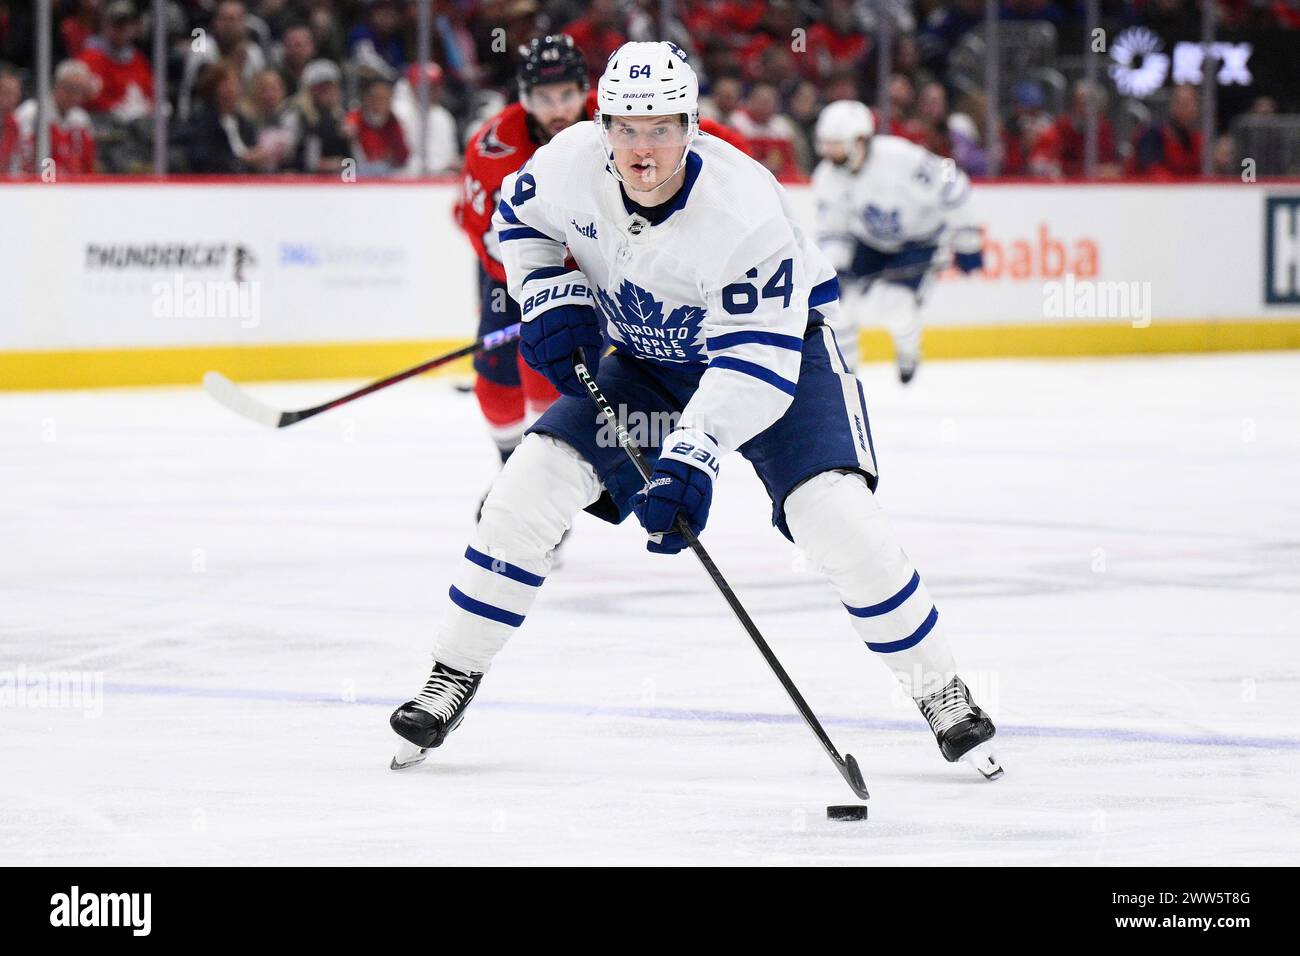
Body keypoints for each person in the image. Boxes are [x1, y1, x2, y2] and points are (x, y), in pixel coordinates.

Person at [390, 42, 1001, 783]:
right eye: (625, 128)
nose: (641, 148)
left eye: (660, 129)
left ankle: (941, 688)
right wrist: (547, 291)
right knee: (531, 483)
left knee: (834, 516)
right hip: (651, 362)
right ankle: (450, 675)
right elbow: (517, 228)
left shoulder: (743, 209)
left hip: (779, 359)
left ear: (692, 127)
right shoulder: (567, 163)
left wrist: (694, 452)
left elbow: (753, 366)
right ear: (603, 123)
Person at [452, 35, 589, 482]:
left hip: (587, 279)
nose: (558, 108)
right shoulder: (493, 148)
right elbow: (481, 232)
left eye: (567, 94)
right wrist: (529, 290)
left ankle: (545, 479)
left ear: (584, 89)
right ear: (525, 97)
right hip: (509, 274)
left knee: (556, 379)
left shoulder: (614, 131)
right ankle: (512, 468)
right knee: (496, 387)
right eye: (544, 97)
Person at [810, 99, 983, 382]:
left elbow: (954, 185)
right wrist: (835, 265)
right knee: (838, 304)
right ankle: (845, 373)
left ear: (860, 140)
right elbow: (833, 230)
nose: (830, 153)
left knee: (895, 305)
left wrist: (968, 241)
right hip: (867, 241)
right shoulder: (828, 178)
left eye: (837, 145)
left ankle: (908, 352)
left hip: (918, 241)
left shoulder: (902, 158)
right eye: (826, 145)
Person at [14, 59, 97, 174]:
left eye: (81, 91)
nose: (76, 96)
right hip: (36, 184)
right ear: (57, 85)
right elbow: (19, 156)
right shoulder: (31, 113)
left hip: (72, 186)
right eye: (71, 89)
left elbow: (87, 162)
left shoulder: (81, 118)